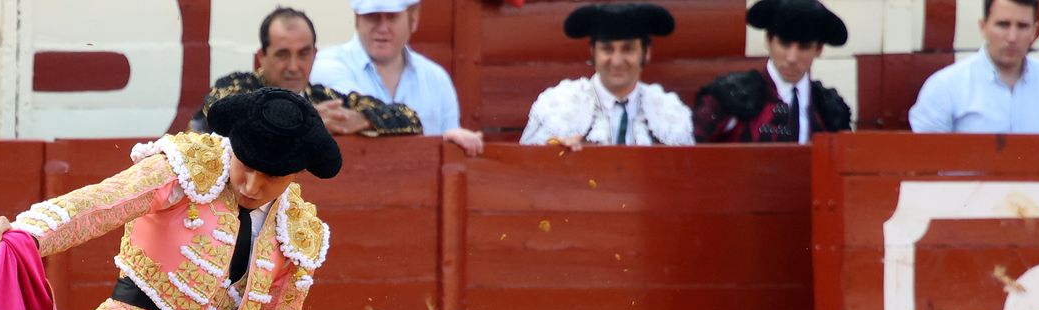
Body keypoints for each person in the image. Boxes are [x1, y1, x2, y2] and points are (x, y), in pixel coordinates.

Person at [0, 87, 342, 310]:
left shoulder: (296, 234)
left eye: (271, 177)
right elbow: (101, 204)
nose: (251, 186)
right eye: (245, 165)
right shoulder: (189, 166)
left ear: (296, 174)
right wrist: (26, 234)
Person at [191, 6, 421, 137]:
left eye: (303, 54)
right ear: (262, 56)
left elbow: (410, 117)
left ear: (314, 54)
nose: (294, 66)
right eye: (282, 54)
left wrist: (361, 119)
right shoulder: (239, 87)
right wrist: (303, 119)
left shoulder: (323, 98)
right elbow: (221, 114)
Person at [310, 0, 484, 155]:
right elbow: (348, 118)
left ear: (413, 19)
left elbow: (450, 153)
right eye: (372, 16)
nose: (382, 28)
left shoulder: (436, 78)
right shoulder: (326, 66)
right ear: (357, 19)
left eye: (392, 17)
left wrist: (454, 140)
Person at [520, 3, 692, 148]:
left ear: (646, 53)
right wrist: (558, 156)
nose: (617, 61)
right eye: (607, 49)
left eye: (628, 49)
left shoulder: (669, 111)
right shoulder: (559, 105)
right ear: (593, 52)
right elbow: (526, 170)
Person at [692, 0, 851, 143]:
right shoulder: (729, 97)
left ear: (819, 49)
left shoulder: (830, 109)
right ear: (768, 40)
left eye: (804, 47)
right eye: (784, 44)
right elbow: (690, 154)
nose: (792, 58)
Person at [909, 0, 1039, 133]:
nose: (1012, 37)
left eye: (1022, 26)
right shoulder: (945, 87)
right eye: (1003, 25)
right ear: (983, 27)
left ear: (1034, 31)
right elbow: (924, 149)